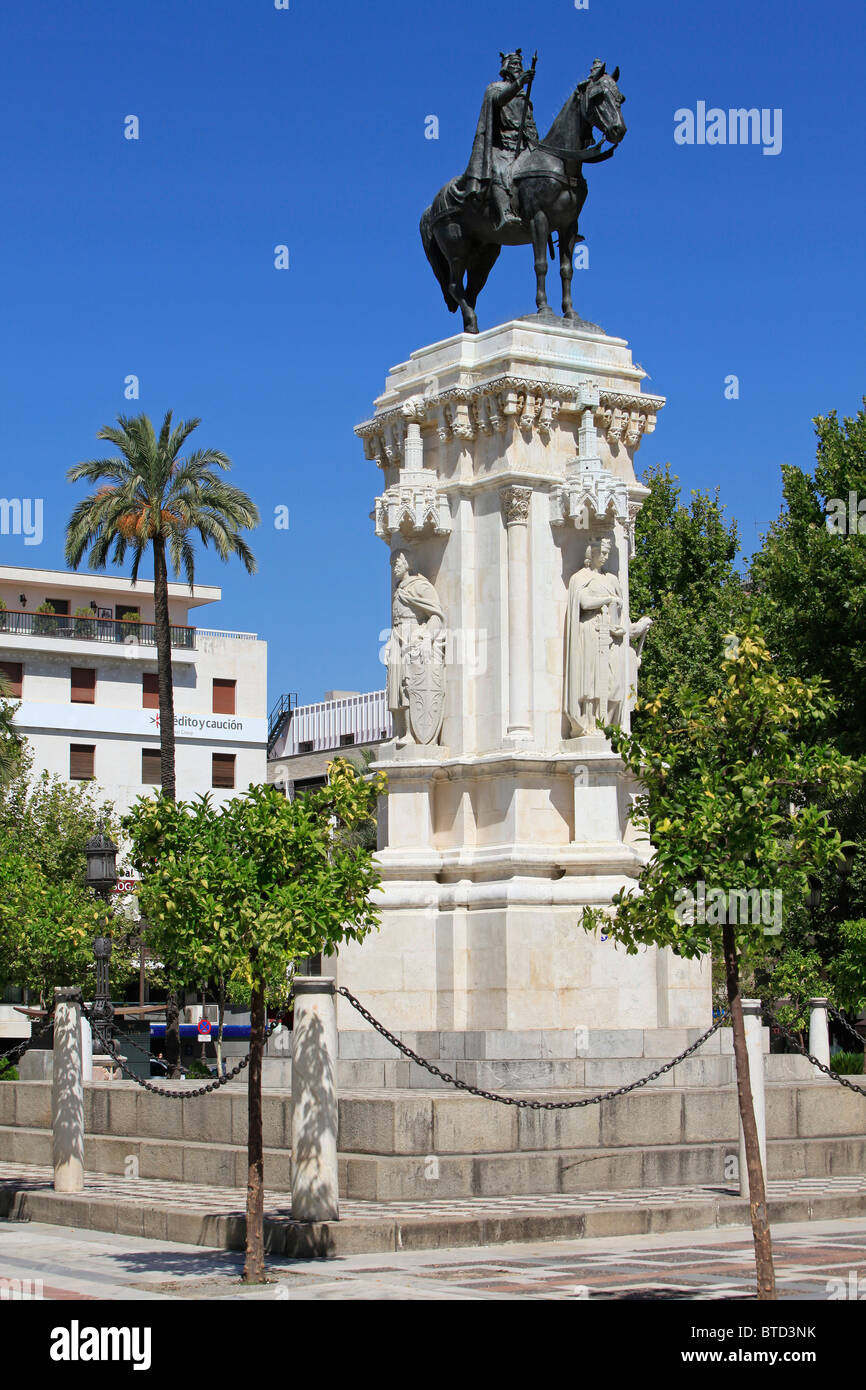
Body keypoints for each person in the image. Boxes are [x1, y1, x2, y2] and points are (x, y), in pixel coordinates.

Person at [461, 50, 538, 231]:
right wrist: (520, 84)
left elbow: (530, 123)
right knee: (500, 169)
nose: (518, 68)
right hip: (503, 144)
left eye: (520, 65)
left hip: (526, 145)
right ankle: (505, 213)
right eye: (514, 65)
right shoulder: (496, 88)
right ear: (506, 68)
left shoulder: (523, 97)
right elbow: (499, 100)